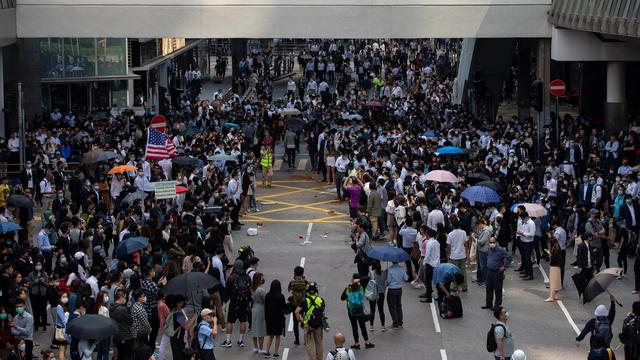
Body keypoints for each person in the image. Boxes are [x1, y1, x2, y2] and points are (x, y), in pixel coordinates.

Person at [340, 274, 374, 350]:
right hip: (360, 310)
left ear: (353, 279)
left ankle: (357, 343)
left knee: (354, 327)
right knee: (363, 326)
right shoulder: (361, 288)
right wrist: (360, 280)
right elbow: (368, 277)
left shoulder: (348, 288)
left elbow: (342, 298)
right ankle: (367, 342)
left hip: (351, 311)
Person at [222, 261, 251, 348]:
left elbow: (226, 292)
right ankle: (240, 340)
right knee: (243, 321)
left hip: (234, 302)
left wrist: (225, 302)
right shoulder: (247, 277)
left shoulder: (231, 278)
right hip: (244, 302)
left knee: (230, 321)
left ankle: (228, 341)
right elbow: (249, 290)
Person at [294, 282, 325, 360]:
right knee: (319, 343)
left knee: (309, 343)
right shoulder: (321, 300)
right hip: (318, 324)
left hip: (308, 324)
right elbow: (322, 311)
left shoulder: (305, 301)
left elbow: (296, 312)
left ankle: (312, 358)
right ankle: (319, 358)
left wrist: (300, 320)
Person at [483, 237, 511, 310]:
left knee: (498, 289)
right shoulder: (489, 249)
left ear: (496, 242)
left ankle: (497, 305)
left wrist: (504, 266)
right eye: (490, 242)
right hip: (489, 271)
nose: (492, 244)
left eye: (493, 242)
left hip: (497, 272)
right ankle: (488, 304)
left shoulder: (500, 250)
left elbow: (509, 257)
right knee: (489, 288)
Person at [264, 279, 286, 358]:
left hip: (270, 318)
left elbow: (265, 307)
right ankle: (276, 353)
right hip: (279, 318)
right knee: (277, 336)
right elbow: (284, 307)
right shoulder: (281, 296)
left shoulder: (267, 296)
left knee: (270, 336)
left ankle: (267, 352)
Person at [110, 290, 133, 360]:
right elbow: (131, 320)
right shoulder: (122, 309)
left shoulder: (112, 307)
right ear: (121, 297)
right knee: (125, 356)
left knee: (119, 355)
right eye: (125, 297)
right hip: (125, 336)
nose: (125, 299)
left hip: (117, 335)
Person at [288, 266, 308, 345]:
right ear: (302, 273)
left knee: (295, 322)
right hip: (303, 304)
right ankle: (306, 340)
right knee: (305, 321)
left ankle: (297, 339)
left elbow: (289, 290)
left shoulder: (292, 282)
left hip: (295, 304)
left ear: (294, 273)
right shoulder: (305, 282)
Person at [446, 221, 468, 292]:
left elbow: (449, 246)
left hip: (453, 256)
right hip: (462, 255)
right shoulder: (463, 232)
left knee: (454, 273)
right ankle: (464, 286)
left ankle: (455, 287)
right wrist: (466, 253)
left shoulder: (450, 234)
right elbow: (466, 244)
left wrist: (448, 255)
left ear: (452, 226)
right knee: (463, 271)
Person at [420, 227, 440, 303]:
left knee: (428, 281)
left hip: (430, 264)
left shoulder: (429, 243)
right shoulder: (436, 242)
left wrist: (424, 262)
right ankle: (439, 295)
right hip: (437, 263)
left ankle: (428, 297)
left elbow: (427, 254)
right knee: (437, 281)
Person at [516, 211, 536, 281]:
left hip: (528, 243)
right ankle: (526, 272)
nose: (522, 219)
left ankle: (530, 275)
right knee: (524, 257)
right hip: (523, 241)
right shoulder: (524, 222)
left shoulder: (531, 223)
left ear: (526, 217)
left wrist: (523, 233)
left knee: (528, 259)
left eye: (522, 218)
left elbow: (532, 234)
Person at [367, 261, 386, 331]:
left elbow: (368, 284)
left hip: (373, 293)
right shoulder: (384, 273)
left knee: (372, 310)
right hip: (381, 293)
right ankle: (383, 326)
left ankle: (371, 326)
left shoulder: (370, 273)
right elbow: (386, 283)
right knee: (381, 310)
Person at [251, 272, 267, 354]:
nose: (263, 279)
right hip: (261, 309)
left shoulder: (252, 288)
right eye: (262, 278)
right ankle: (261, 348)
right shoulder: (261, 290)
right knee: (261, 329)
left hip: (254, 308)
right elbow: (265, 300)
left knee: (254, 328)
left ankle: (255, 347)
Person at [386, 261, 404, 329]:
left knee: (392, 306)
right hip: (399, 289)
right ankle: (400, 322)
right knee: (399, 305)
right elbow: (406, 278)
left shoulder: (390, 269)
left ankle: (395, 323)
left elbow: (389, 281)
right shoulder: (402, 269)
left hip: (392, 290)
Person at [544, 236, 562, 302]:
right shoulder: (558, 247)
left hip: (554, 267)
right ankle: (555, 295)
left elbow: (554, 258)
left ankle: (551, 297)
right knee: (557, 281)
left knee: (552, 282)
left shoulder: (554, 249)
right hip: (558, 266)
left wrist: (549, 253)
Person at [53, 292, 70, 360]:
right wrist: (67, 328)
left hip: (63, 329)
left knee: (64, 348)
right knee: (62, 349)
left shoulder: (64, 306)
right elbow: (63, 321)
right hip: (62, 330)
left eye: (66, 296)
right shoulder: (59, 307)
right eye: (63, 297)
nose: (65, 298)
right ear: (59, 298)